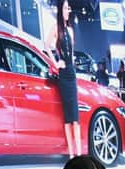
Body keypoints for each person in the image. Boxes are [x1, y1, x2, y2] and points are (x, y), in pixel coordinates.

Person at [46, 0, 81, 158]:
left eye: (69, 8)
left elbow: (72, 54)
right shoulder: (56, 27)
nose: (68, 10)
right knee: (68, 117)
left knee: (76, 118)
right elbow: (46, 45)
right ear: (61, 10)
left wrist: (72, 67)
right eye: (66, 8)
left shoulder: (71, 30)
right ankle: (72, 155)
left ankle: (79, 154)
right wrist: (56, 63)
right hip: (63, 76)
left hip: (72, 75)